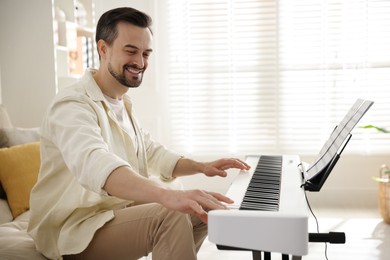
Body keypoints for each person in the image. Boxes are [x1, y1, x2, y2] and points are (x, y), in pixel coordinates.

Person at [27, 7, 250, 260]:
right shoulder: (71, 105)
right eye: (131, 51)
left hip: (109, 212)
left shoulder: (121, 102)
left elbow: (153, 153)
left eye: (146, 54)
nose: (141, 62)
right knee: (172, 212)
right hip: (73, 228)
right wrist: (169, 196)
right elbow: (96, 163)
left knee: (201, 209)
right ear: (103, 49)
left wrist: (202, 166)